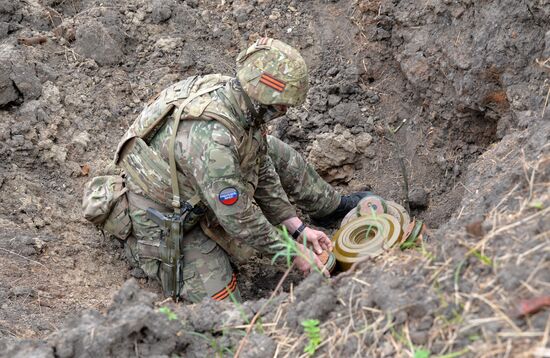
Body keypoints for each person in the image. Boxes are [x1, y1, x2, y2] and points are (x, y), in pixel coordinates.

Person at [113, 37, 370, 303]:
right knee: (226, 302)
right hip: (164, 213)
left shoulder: (240, 98)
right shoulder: (213, 140)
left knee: (274, 149)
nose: (284, 111)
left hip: (202, 183)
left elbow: (259, 162)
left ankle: (329, 206)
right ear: (262, 96)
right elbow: (238, 218)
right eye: (280, 105)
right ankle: (140, 247)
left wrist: (296, 227)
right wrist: (292, 254)